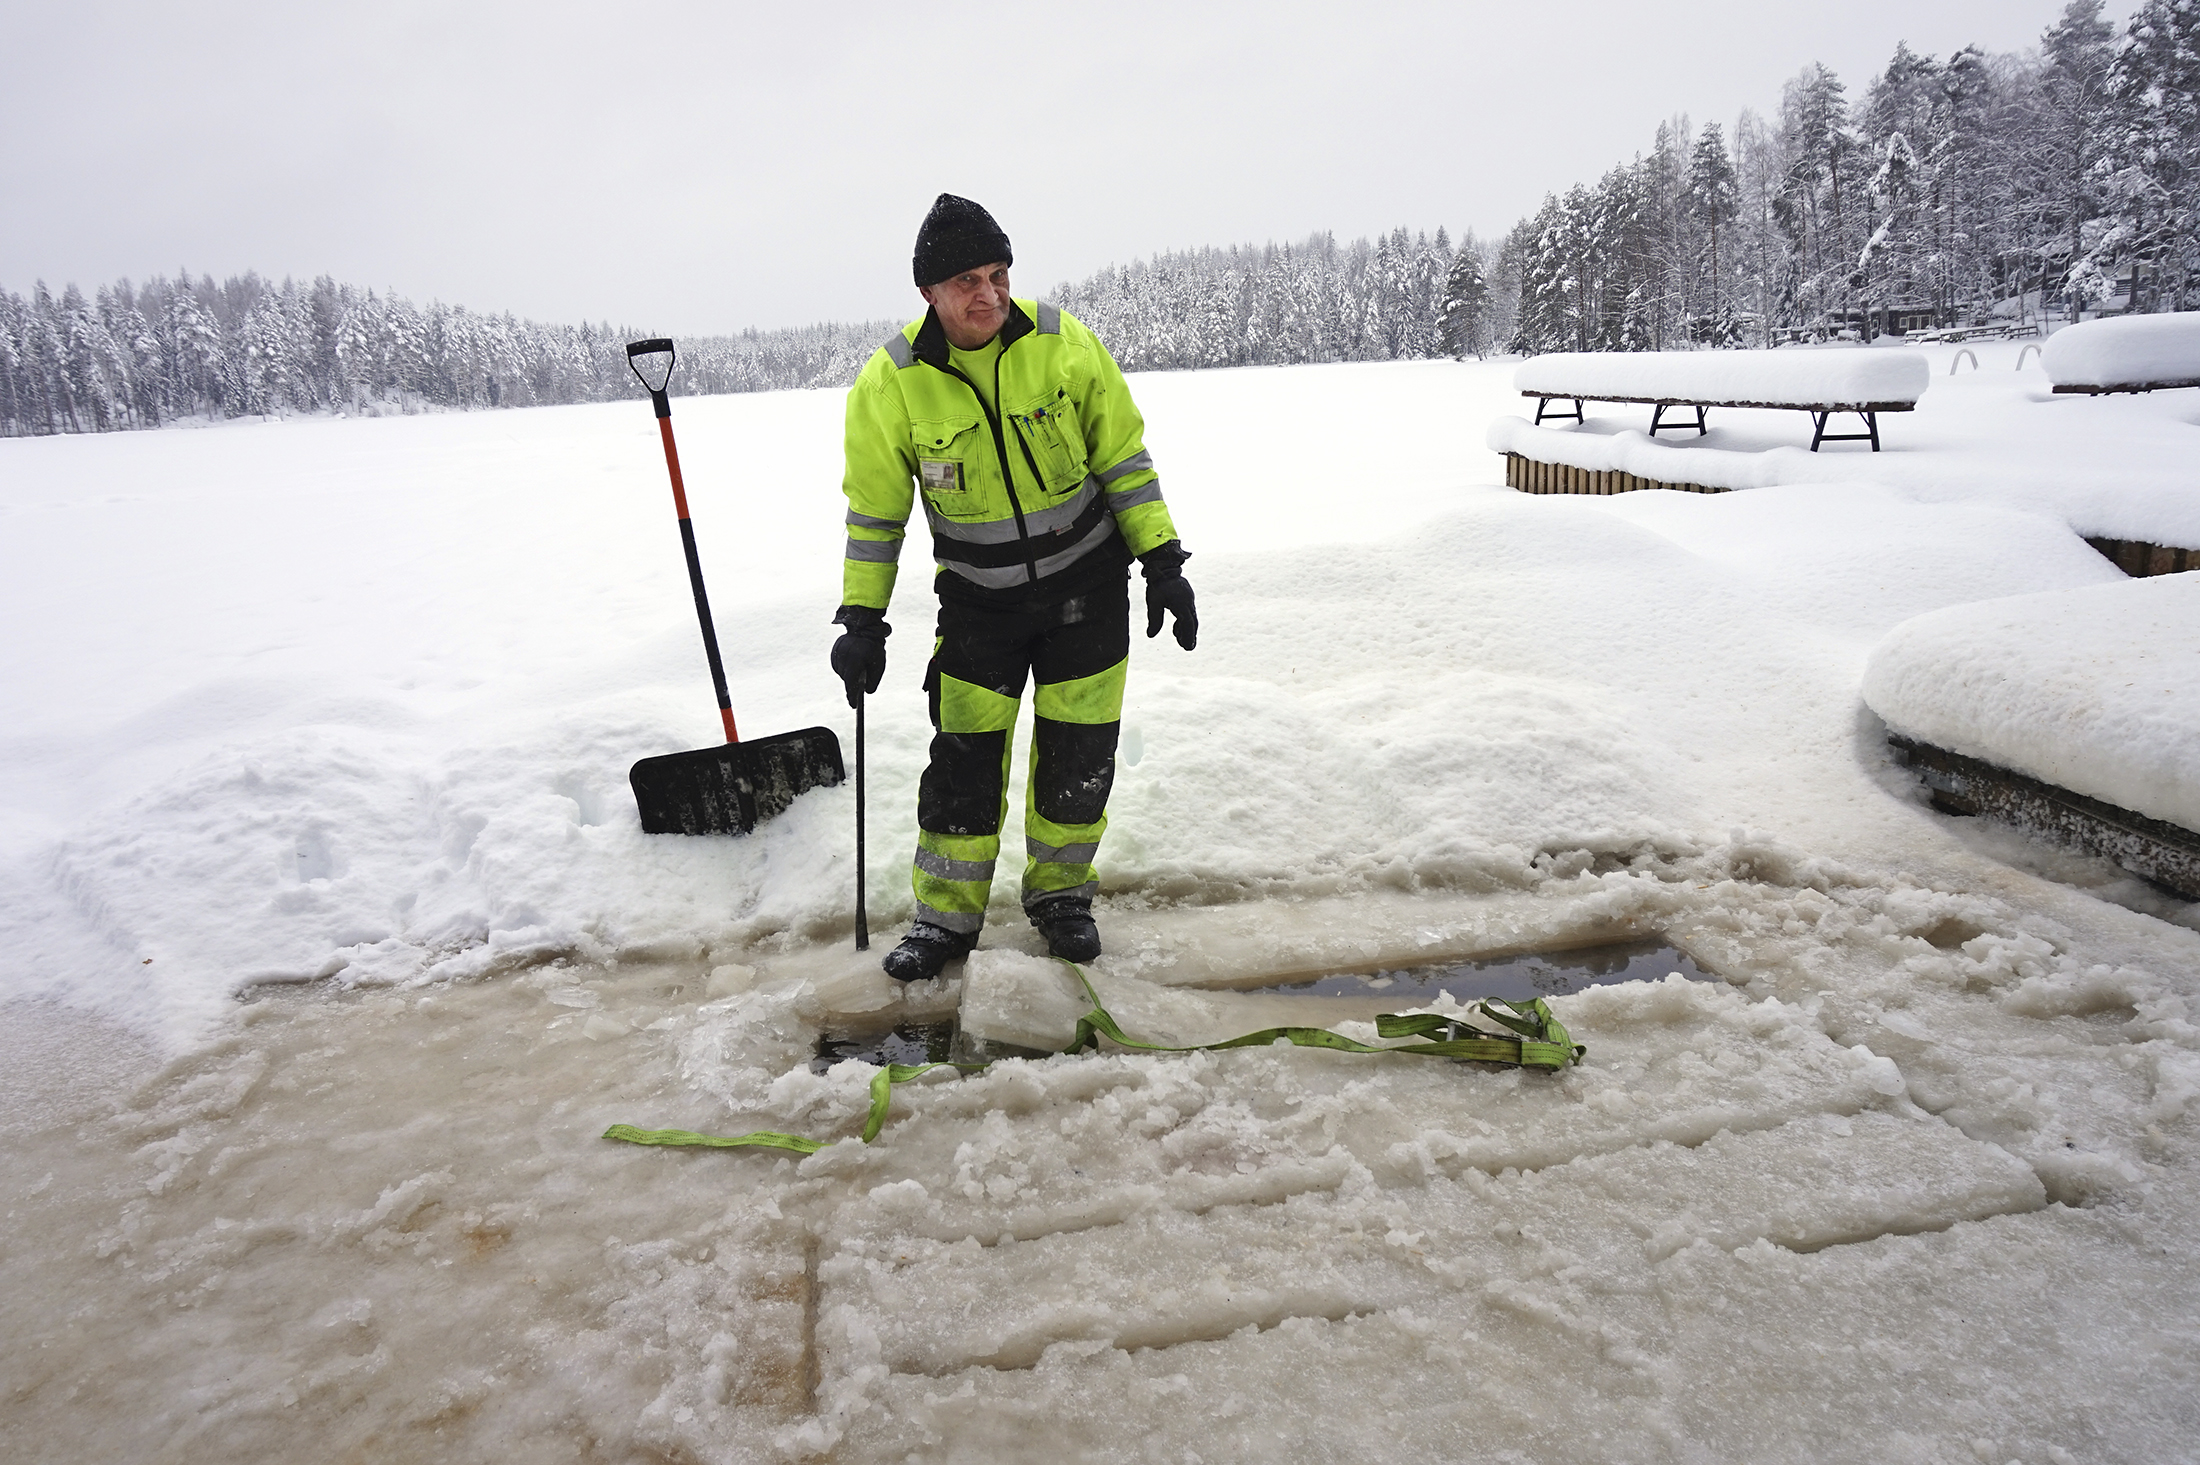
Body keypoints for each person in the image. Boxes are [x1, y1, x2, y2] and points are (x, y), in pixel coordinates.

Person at [831, 194, 1198, 982]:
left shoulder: (1062, 345)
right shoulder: (891, 383)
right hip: (978, 607)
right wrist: (862, 616)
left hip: (1087, 595)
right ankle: (945, 919)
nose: (989, 295)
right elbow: (875, 515)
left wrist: (1163, 561)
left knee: (1078, 759)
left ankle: (1062, 898)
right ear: (929, 291)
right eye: (968, 279)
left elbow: (1125, 463)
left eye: (999, 275)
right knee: (961, 766)